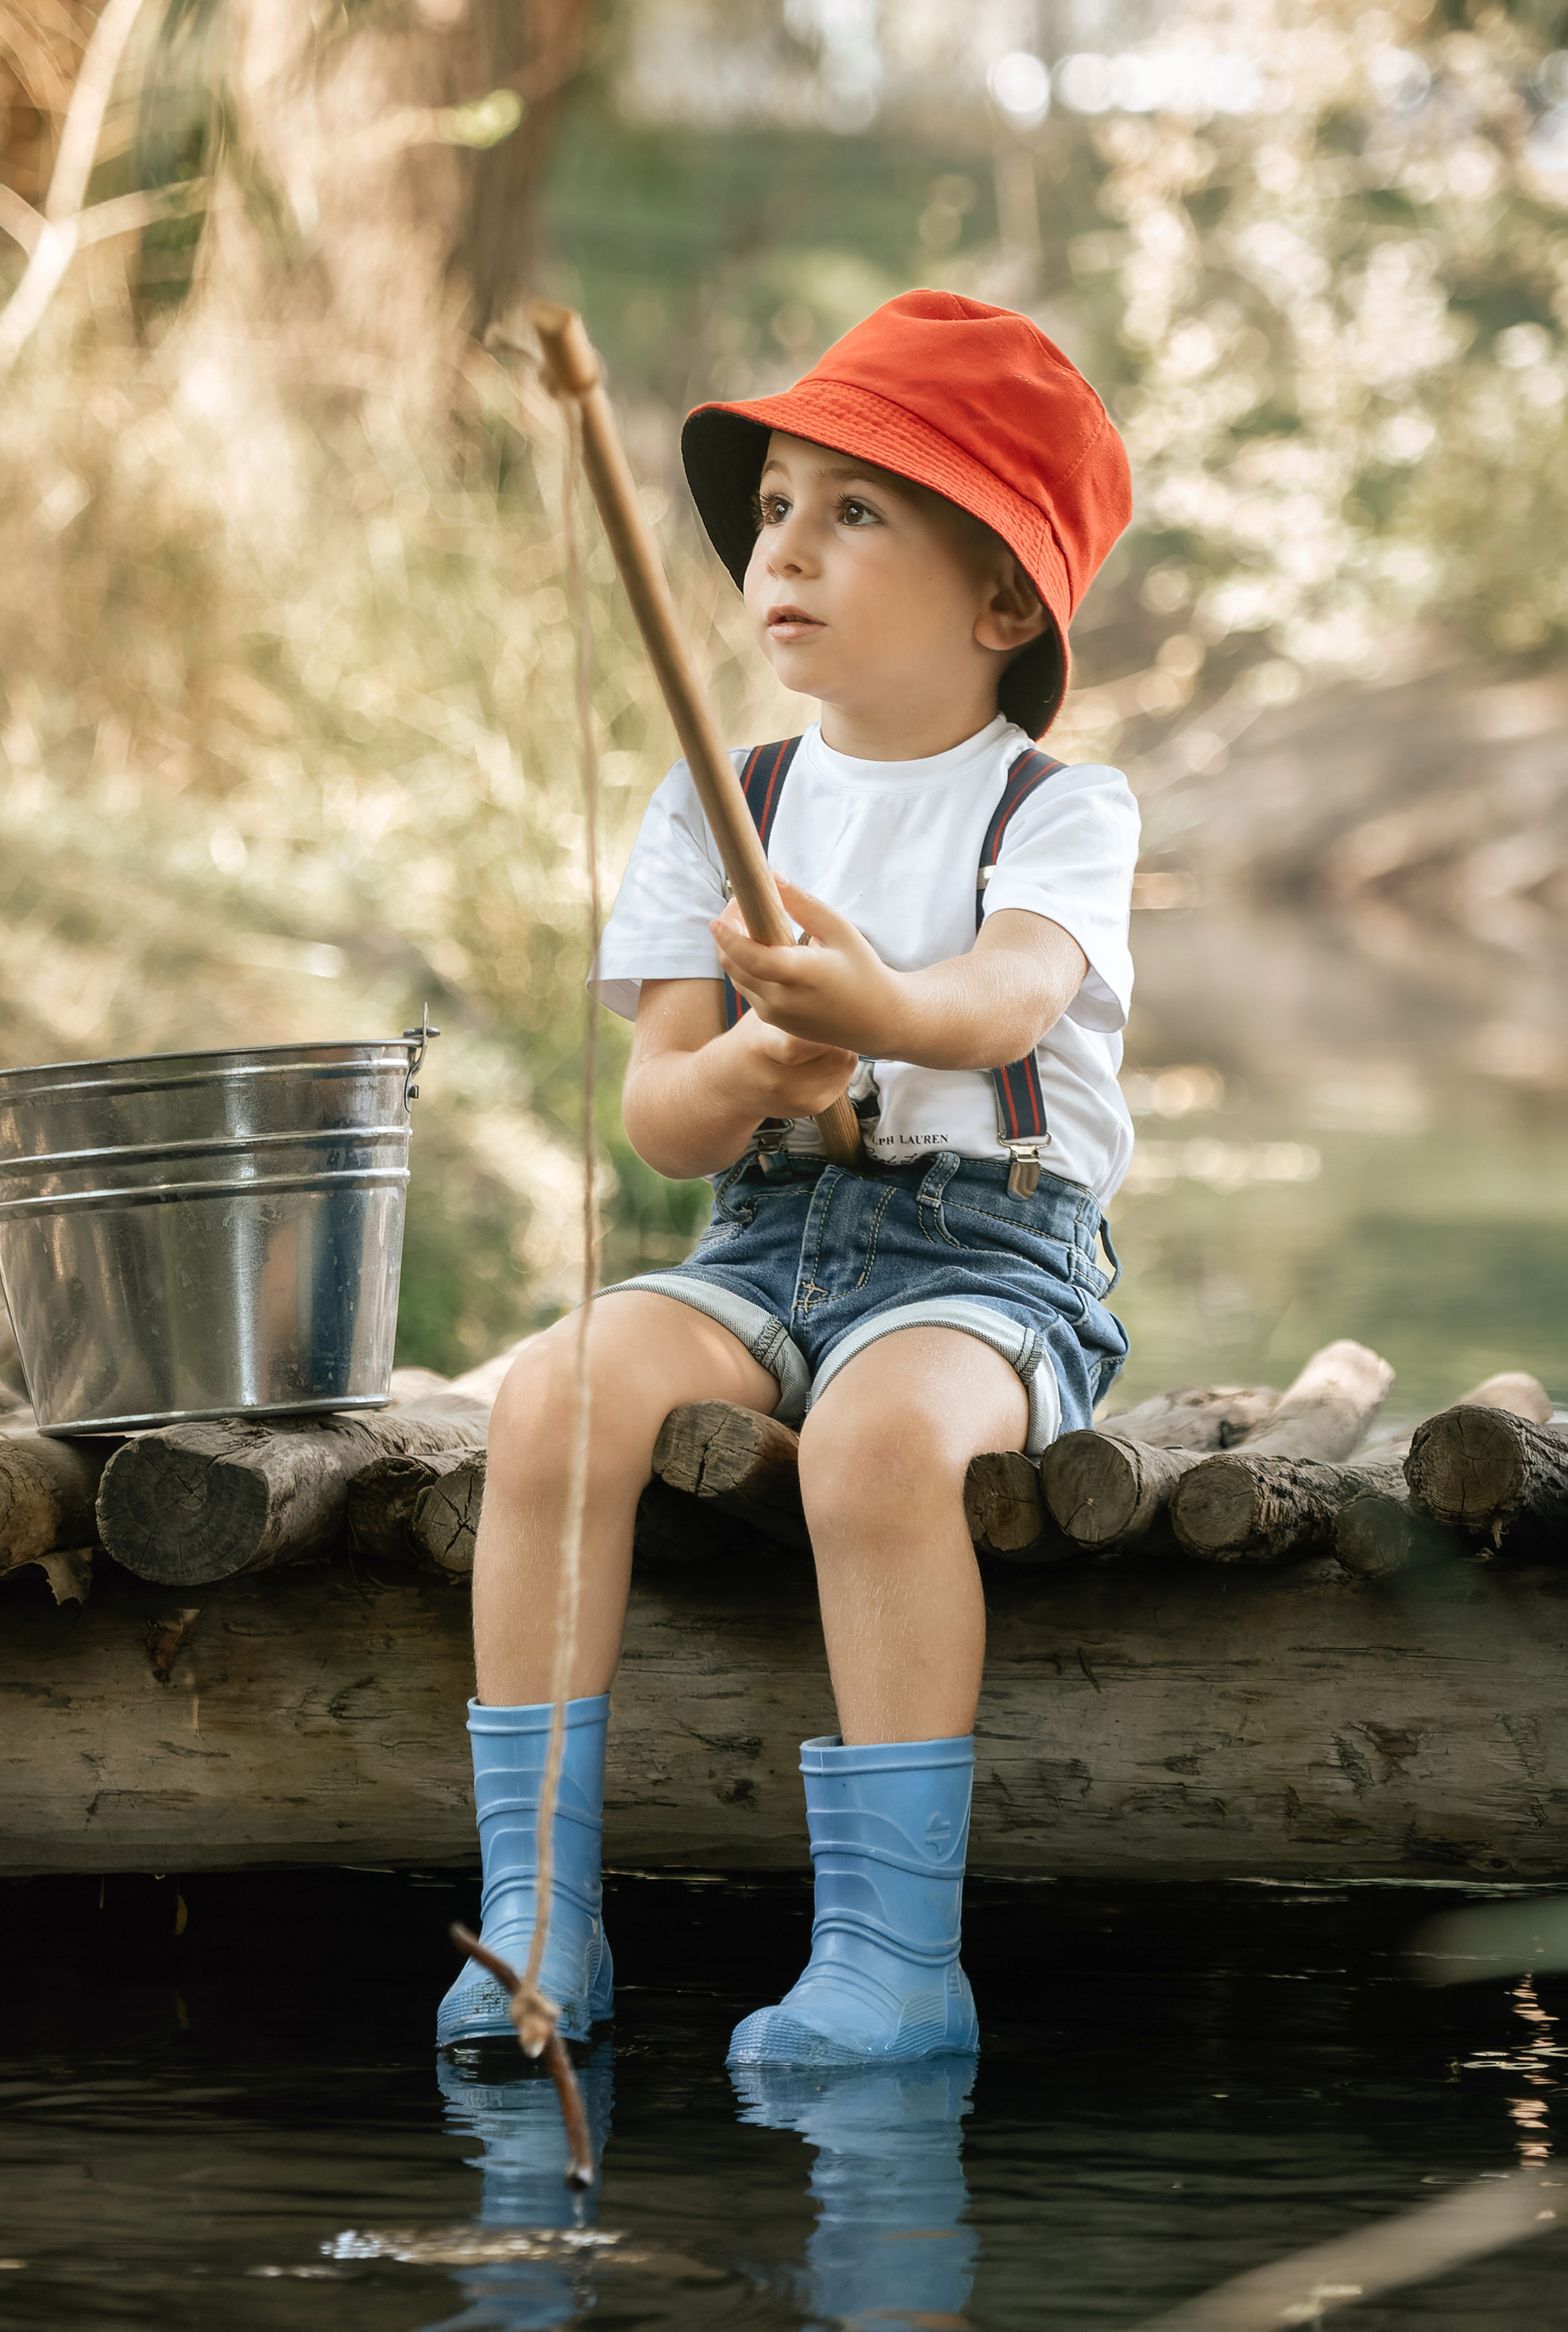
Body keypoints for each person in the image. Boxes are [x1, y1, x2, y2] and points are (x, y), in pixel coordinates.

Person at [438, 290, 1137, 2068]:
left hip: (985, 1264)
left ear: (998, 603)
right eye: (771, 509)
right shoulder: (722, 797)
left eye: (853, 509)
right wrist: (755, 1066)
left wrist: (880, 1011)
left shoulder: (1055, 808)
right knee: (552, 1394)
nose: (783, 549)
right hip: (760, 1243)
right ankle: (535, 1917)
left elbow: (1010, 997)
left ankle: (897, 1956)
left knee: (880, 1439)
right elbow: (660, 1118)